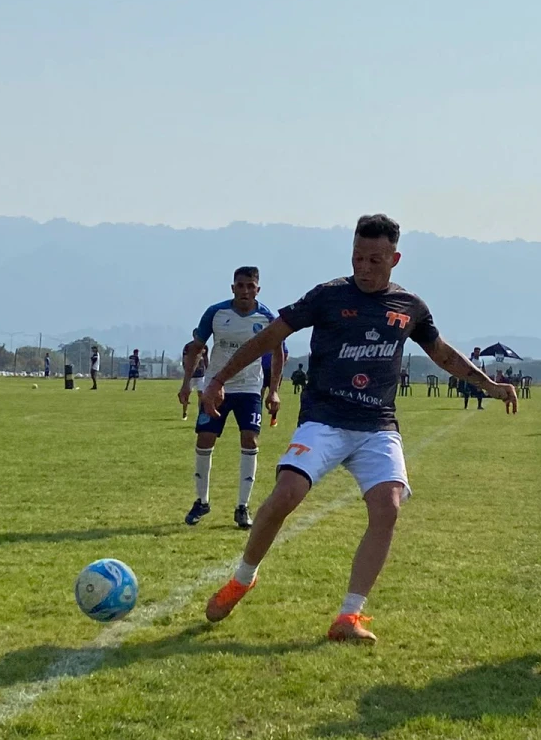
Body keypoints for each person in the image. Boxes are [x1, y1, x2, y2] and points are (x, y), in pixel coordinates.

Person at [201, 214, 518, 643]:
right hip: (324, 420)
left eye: (374, 259)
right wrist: (219, 378)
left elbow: (442, 354)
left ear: (395, 258)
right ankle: (243, 578)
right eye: (357, 257)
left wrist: (490, 384)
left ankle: (348, 617)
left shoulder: (410, 307)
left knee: (387, 507)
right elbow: (269, 337)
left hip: (377, 426)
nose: (363, 268)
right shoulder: (328, 296)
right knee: (285, 495)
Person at [179, 267, 284, 529]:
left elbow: (279, 352)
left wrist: (273, 390)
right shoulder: (216, 313)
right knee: (205, 438)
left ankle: (242, 507)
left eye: (251, 286)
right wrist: (186, 385)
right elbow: (196, 348)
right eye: (240, 285)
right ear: (232, 288)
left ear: (258, 289)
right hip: (216, 387)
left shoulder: (267, 317)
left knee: (250, 438)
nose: (245, 290)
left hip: (249, 388)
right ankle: (201, 501)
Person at [180, 339, 207, 417]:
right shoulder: (188, 346)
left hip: (201, 375)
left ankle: (200, 413)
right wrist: (187, 371)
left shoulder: (204, 346)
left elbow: (205, 359)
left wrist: (207, 369)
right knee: (187, 393)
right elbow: (185, 359)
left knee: (201, 394)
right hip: (191, 376)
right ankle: (184, 412)